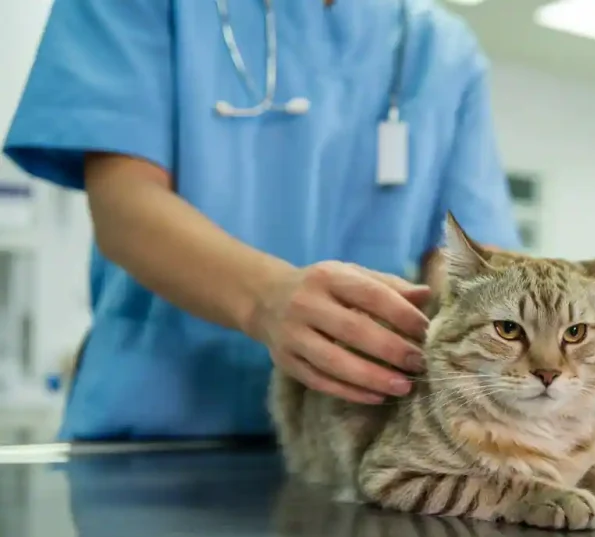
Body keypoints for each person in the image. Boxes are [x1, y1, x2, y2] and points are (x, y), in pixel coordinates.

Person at [3, 0, 521, 441]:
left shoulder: (443, 51)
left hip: (358, 439)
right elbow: (123, 204)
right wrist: (268, 299)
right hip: (162, 430)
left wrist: (509, 335)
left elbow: (467, 257)